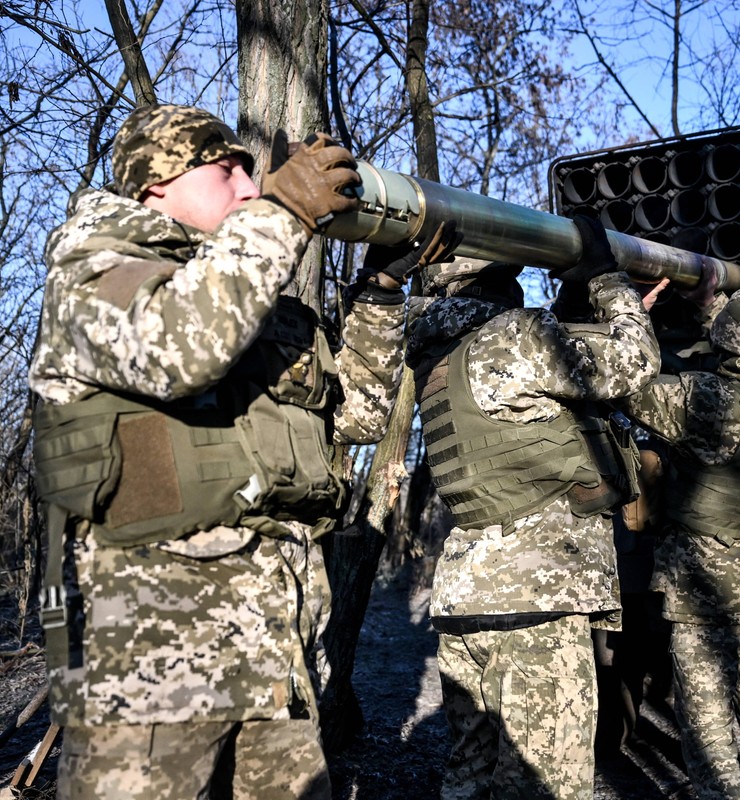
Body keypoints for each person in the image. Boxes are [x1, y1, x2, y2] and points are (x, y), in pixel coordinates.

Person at [29, 103, 455, 799]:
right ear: (155, 183)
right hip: (149, 673)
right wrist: (286, 212)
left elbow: (359, 417)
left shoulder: (254, 303)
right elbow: (179, 349)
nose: (249, 189)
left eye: (255, 180)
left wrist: (379, 292)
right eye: (225, 171)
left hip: (275, 658)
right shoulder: (91, 271)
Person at [403, 220, 660, 800]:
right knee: (548, 785)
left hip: (469, 593)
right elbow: (633, 364)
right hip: (536, 601)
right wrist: (605, 282)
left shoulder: (435, 355)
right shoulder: (516, 337)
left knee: (471, 776)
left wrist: (575, 318)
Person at [617, 282, 740, 800]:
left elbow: (627, 384)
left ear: (732, 339)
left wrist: (632, 317)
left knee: (707, 723)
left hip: (702, 583)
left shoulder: (707, 401)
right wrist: (712, 309)